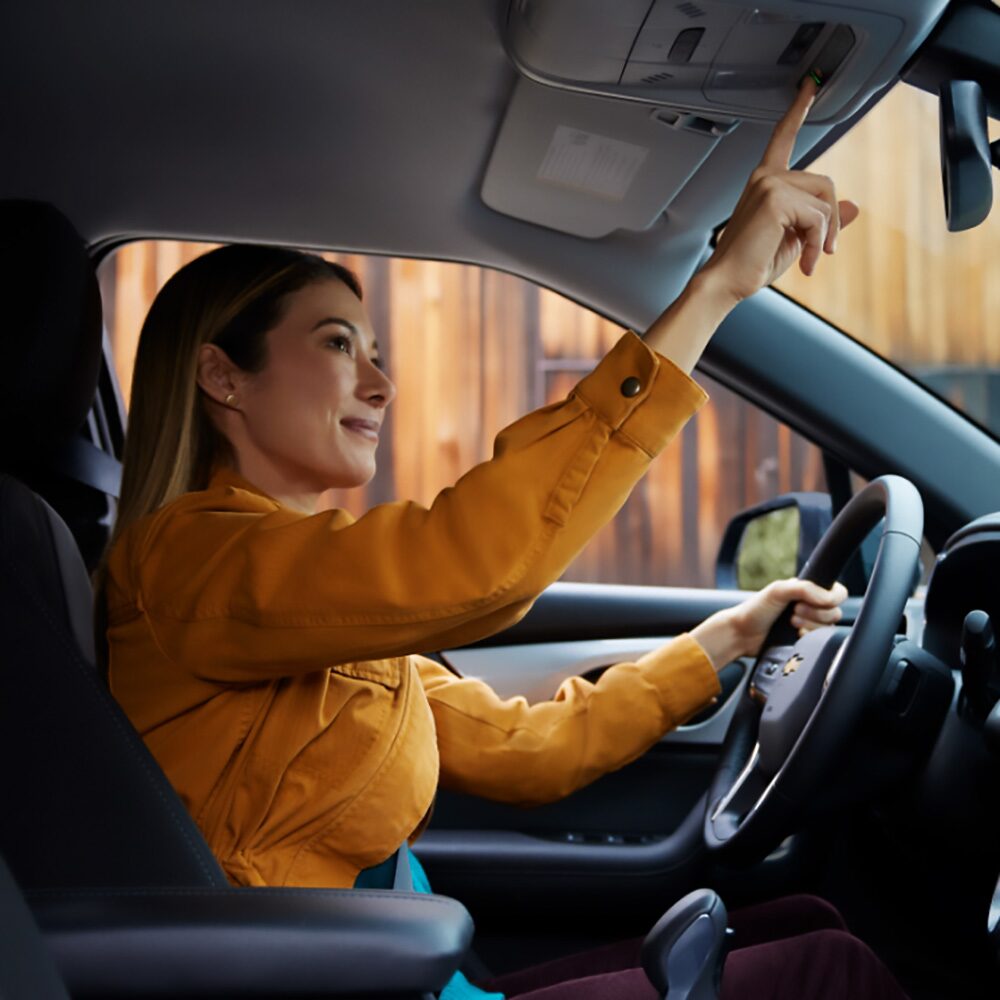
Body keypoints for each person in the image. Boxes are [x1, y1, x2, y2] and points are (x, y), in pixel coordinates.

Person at [97, 80, 906, 999]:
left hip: (395, 969)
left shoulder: (311, 602)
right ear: (222, 376)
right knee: (830, 968)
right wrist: (716, 287)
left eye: (376, 353)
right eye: (337, 345)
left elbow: (529, 749)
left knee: (806, 924)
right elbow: (479, 567)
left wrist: (726, 638)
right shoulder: (189, 564)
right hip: (312, 976)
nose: (381, 386)